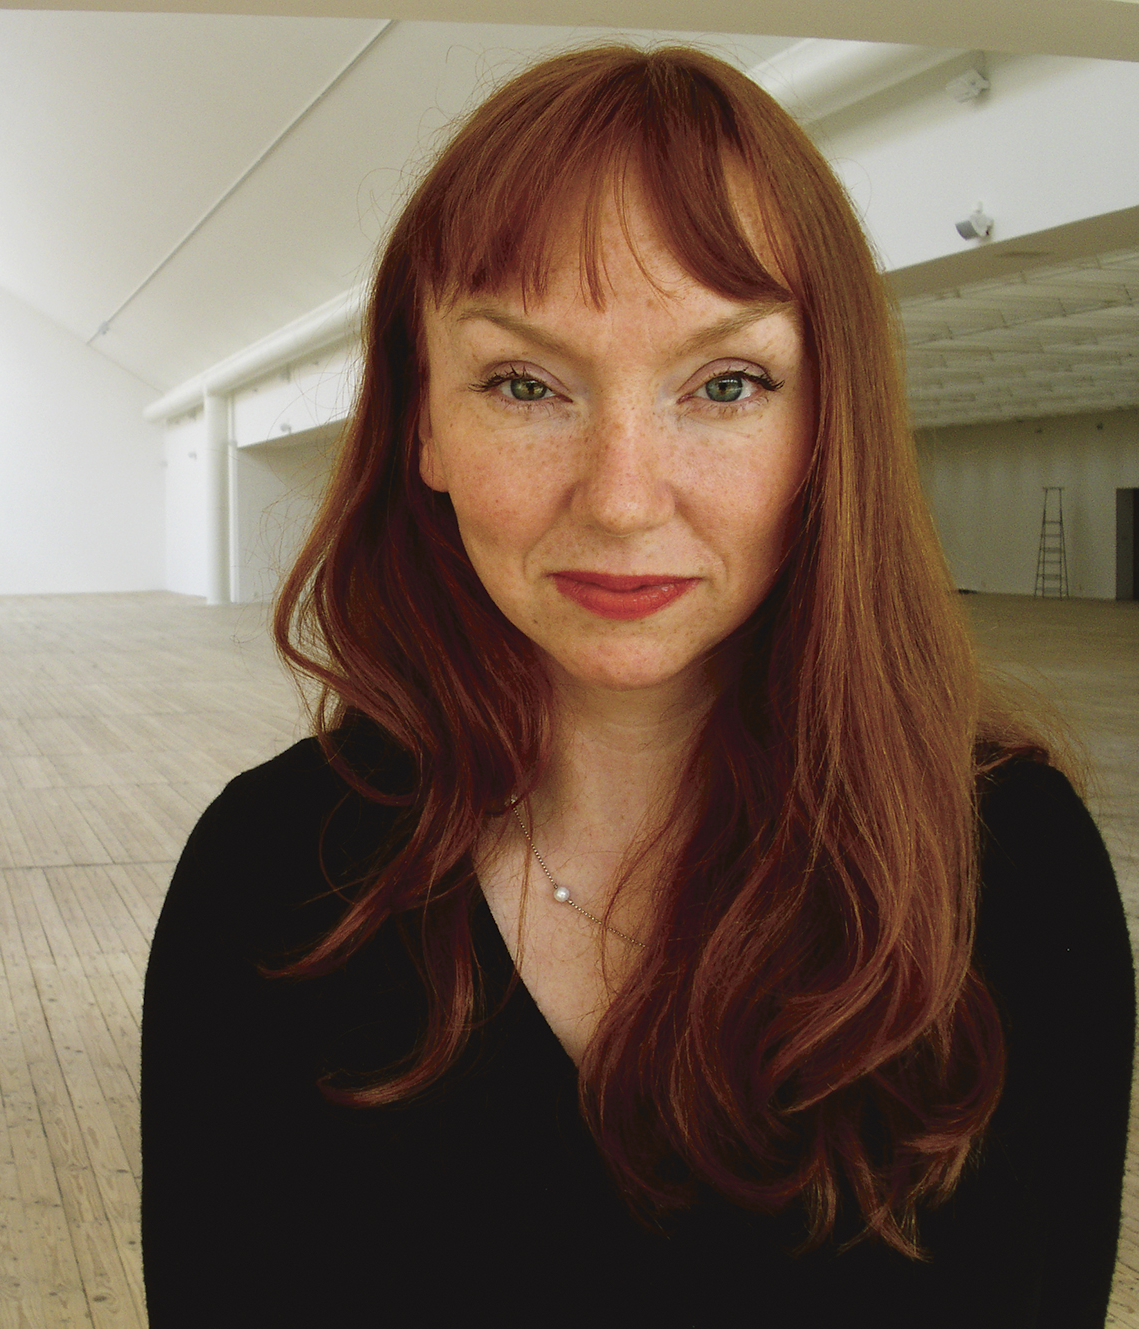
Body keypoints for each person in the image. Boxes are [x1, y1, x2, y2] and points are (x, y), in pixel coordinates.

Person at [141, 44, 1133, 1327]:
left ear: (823, 426)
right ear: (422, 425)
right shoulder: (268, 883)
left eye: (724, 386)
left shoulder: (1012, 876)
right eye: (523, 384)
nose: (619, 496)